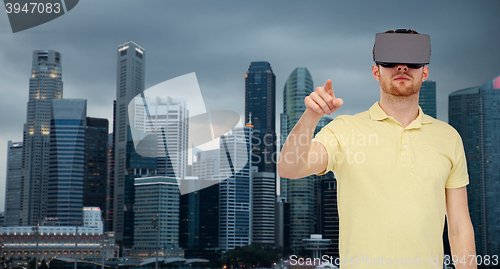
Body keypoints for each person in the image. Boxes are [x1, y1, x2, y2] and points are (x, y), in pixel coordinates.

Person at [278, 29, 476, 268]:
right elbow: (289, 168)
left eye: (412, 61)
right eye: (390, 60)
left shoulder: (448, 137)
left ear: (424, 72)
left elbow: (459, 227)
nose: (401, 67)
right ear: (376, 71)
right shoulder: (344, 129)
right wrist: (311, 116)